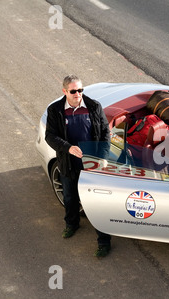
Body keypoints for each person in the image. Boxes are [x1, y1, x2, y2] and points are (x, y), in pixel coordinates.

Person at [45, 75, 112, 258]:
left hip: (92, 165)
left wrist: (103, 157)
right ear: (64, 91)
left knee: (97, 204)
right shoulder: (56, 110)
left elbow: (106, 132)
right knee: (70, 197)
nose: (78, 94)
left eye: (81, 90)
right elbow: (50, 136)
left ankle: (104, 241)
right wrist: (68, 148)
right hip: (68, 163)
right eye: (73, 91)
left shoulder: (94, 106)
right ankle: (72, 224)